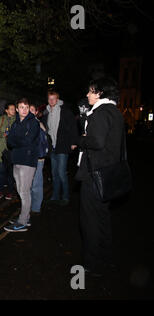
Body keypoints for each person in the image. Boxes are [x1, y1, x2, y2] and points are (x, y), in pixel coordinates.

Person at [75, 77, 124, 276]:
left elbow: (96, 141)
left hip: (94, 175)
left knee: (90, 220)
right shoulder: (115, 113)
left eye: (91, 91)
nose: (87, 95)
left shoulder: (100, 113)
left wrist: (82, 140)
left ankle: (92, 263)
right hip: (109, 174)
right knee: (103, 217)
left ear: (100, 93)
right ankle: (105, 257)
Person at [4, 98, 40, 232]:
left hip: (28, 160)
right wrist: (16, 139)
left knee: (24, 191)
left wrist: (14, 139)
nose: (24, 110)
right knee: (20, 189)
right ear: (17, 109)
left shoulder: (33, 123)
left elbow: (28, 140)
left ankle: (23, 221)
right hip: (17, 159)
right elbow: (9, 142)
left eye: (26, 107)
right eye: (21, 107)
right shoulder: (15, 123)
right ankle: (26, 216)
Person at [41, 91, 78, 206]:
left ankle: (65, 196)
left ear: (58, 100)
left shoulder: (65, 112)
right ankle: (55, 196)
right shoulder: (46, 112)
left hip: (62, 145)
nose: (51, 101)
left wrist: (73, 142)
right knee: (54, 173)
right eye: (50, 99)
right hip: (52, 147)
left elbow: (73, 126)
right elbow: (45, 128)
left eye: (54, 99)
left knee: (61, 173)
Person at [0, 103, 17, 200]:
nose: (13, 110)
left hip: (12, 150)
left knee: (11, 173)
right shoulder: (1, 119)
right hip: (1, 149)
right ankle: (0, 191)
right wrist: (2, 134)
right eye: (11, 109)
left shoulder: (17, 120)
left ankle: (10, 192)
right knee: (1, 172)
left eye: (14, 109)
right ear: (6, 110)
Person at [29, 104, 47, 215]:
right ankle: (29, 206)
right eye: (28, 109)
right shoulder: (25, 123)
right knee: (28, 184)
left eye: (32, 110)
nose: (29, 112)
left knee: (36, 184)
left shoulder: (39, 125)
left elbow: (42, 143)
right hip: (28, 158)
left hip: (37, 159)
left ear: (36, 112)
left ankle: (35, 207)